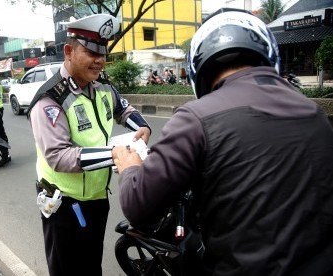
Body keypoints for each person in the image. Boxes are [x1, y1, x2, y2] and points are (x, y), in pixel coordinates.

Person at [114, 8, 333, 276]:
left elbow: (139, 206)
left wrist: (130, 167)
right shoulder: (314, 114)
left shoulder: (195, 117)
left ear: (198, 68)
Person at [27, 14, 151, 276]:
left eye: (103, 53)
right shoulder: (50, 100)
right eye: (91, 53)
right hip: (64, 205)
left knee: (92, 265)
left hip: (96, 198)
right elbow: (58, 157)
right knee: (67, 270)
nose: (100, 61)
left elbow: (124, 109)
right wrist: (115, 155)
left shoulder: (102, 85)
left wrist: (142, 127)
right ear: (69, 51)